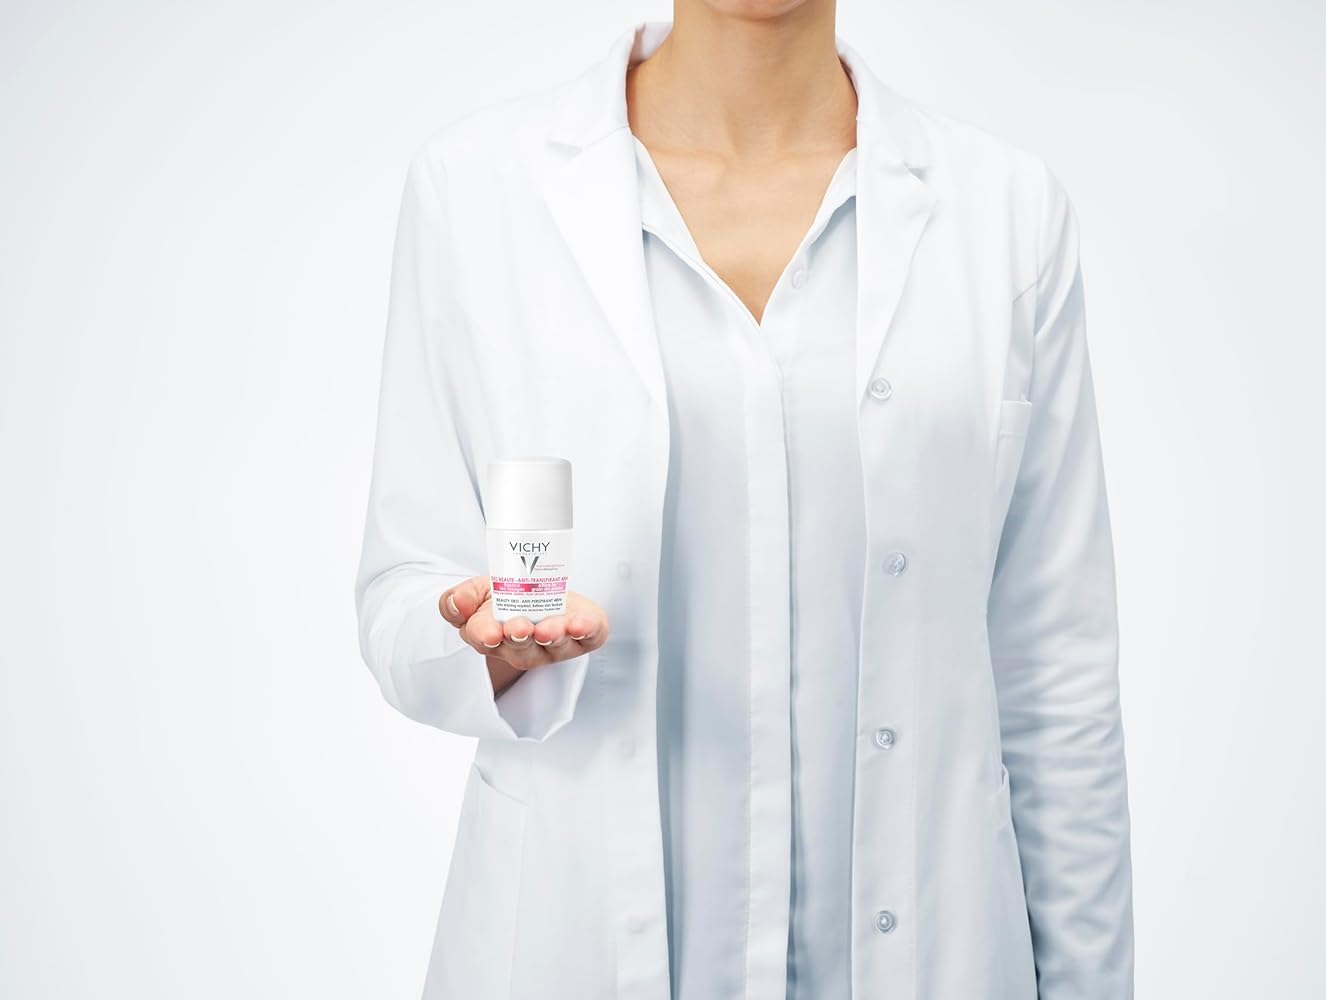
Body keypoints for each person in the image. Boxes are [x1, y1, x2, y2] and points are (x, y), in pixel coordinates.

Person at [354, 7, 1134, 1000]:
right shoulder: (476, 190)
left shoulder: (1006, 212)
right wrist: (490, 650)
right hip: (574, 945)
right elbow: (402, 586)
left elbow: (1057, 673)